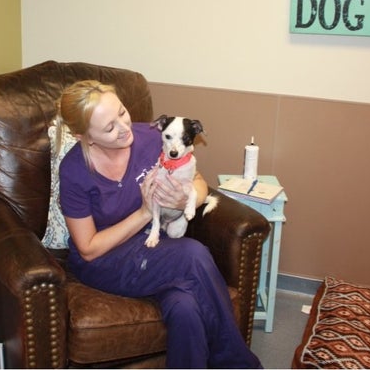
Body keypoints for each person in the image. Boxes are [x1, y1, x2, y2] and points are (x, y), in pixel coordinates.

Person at [56, 80, 262, 369]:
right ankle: (237, 363)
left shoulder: (153, 138)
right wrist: (143, 212)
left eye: (122, 112)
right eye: (109, 128)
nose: (124, 127)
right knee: (192, 254)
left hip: (153, 247)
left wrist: (184, 200)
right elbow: (89, 248)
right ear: (84, 136)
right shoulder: (74, 170)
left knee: (185, 308)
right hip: (105, 260)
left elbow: (198, 182)